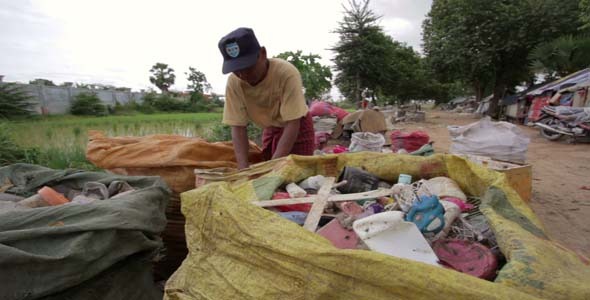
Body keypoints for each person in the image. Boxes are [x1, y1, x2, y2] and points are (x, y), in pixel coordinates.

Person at [218, 27, 315, 169]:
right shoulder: (234, 82)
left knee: (298, 174)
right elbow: (238, 127)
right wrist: (243, 169)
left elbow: (292, 123)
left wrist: (272, 168)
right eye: (237, 70)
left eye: (248, 68)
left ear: (262, 54)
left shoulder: (286, 73)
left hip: (297, 127)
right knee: (267, 172)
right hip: (271, 129)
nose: (243, 75)